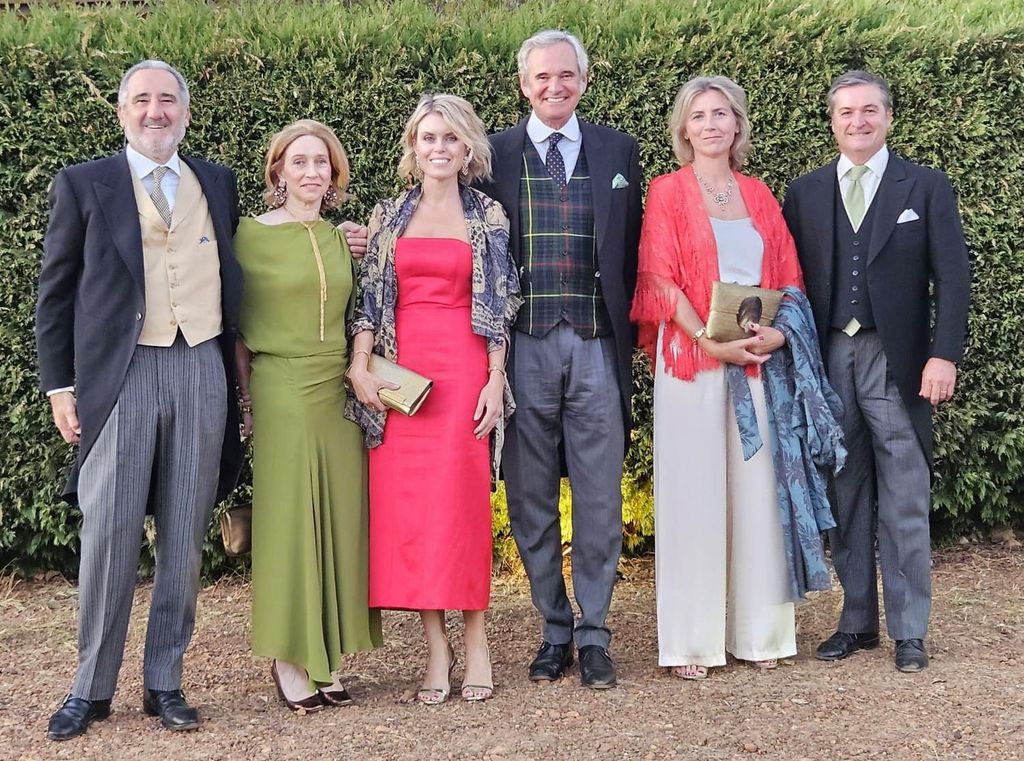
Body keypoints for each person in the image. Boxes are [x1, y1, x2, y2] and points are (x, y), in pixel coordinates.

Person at [35, 60, 243, 740]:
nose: (156, 111)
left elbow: (253, 255)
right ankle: (90, 688)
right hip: (119, 375)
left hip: (200, 367)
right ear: (122, 112)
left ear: (185, 111)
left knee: (184, 535)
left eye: (168, 100)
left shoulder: (216, 181)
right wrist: (60, 385)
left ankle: (165, 681)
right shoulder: (84, 183)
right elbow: (56, 292)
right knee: (109, 536)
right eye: (142, 100)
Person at [782, 70, 970, 673]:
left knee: (906, 497)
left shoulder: (926, 186)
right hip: (832, 355)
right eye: (846, 113)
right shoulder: (805, 192)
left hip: (900, 360)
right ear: (831, 121)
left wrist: (945, 354)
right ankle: (857, 621)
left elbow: (955, 277)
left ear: (887, 117)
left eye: (869, 111)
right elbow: (789, 278)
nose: (857, 121)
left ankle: (909, 630)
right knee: (845, 491)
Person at [475, 29, 642, 690]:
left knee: (601, 494)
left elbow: (628, 250)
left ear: (584, 79)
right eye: (542, 77)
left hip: (597, 342)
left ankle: (595, 630)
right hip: (522, 346)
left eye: (566, 75)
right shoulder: (493, 153)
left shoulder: (617, 149)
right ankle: (554, 628)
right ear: (524, 83)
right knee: (530, 496)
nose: (554, 87)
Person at [630, 76, 808, 679]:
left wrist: (775, 334)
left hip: (756, 358)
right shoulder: (667, 192)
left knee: (759, 496)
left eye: (721, 113)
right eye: (698, 115)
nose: (710, 124)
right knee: (693, 498)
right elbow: (659, 279)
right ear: (684, 129)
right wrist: (708, 341)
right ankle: (690, 644)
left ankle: (762, 635)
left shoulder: (760, 195)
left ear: (738, 125)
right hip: (690, 360)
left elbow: (787, 277)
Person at [346, 94, 521, 704]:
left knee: (461, 510)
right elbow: (370, 300)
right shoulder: (388, 215)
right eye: (427, 138)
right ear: (413, 148)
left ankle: (476, 643)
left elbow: (500, 303)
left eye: (450, 138)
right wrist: (360, 364)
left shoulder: (489, 216)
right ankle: (436, 651)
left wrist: (497, 379)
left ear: (467, 147)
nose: (439, 148)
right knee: (412, 514)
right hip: (402, 379)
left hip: (465, 369)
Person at [233, 120, 383, 713]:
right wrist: (244, 400)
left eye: (322, 163)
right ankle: (289, 657)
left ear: (335, 174)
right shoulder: (246, 236)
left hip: (337, 390)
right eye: (299, 162)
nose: (311, 172)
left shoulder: (344, 238)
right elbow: (235, 332)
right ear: (278, 172)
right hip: (280, 386)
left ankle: (328, 657)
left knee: (339, 519)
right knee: (290, 519)